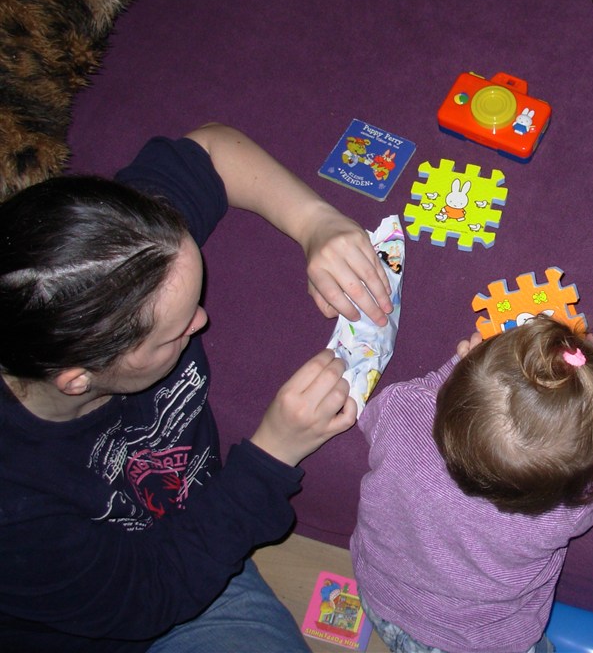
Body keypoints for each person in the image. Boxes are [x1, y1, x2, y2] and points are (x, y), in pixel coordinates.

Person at [0, 123, 393, 652]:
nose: (202, 320)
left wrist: (316, 222)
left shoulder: (120, 253)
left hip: (180, 546)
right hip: (121, 609)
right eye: (176, 331)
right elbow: (148, 595)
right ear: (78, 379)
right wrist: (272, 454)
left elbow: (211, 149)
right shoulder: (16, 510)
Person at [350, 315, 593, 653]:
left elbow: (393, 406)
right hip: (479, 644)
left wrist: (458, 369)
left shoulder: (402, 412)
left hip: (380, 598)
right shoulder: (565, 509)